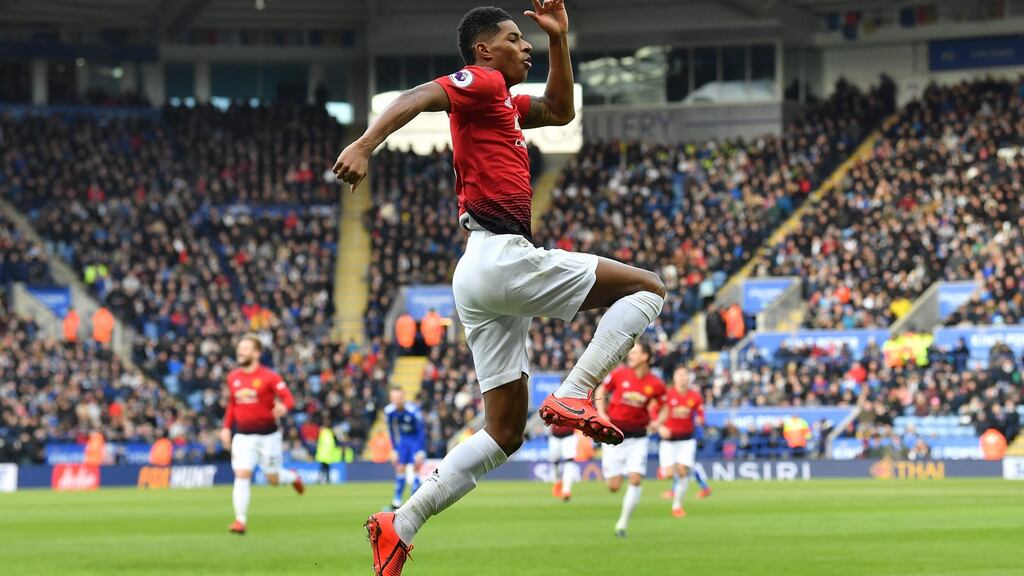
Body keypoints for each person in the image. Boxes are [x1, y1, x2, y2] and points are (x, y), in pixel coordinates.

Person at [334, 3, 665, 573]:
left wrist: (559, 39)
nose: (526, 46)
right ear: (485, 51)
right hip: (503, 255)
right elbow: (416, 96)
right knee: (647, 288)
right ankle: (577, 391)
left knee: (504, 433)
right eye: (516, 39)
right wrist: (366, 143)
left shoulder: (504, 106)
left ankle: (401, 522)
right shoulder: (482, 83)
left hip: (479, 273)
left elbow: (561, 110)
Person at [220, 334, 304, 535]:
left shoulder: (270, 376)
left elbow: (289, 398)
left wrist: (283, 407)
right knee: (242, 474)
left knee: (272, 479)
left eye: (246, 348)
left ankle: (292, 477)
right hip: (243, 436)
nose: (241, 352)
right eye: (240, 348)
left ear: (256, 353)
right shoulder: (233, 377)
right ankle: (240, 521)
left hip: (269, 436)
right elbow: (232, 404)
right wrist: (225, 427)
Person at [597, 342, 666, 537]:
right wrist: (602, 412)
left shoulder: (656, 384)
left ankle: (622, 524)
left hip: (638, 438)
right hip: (614, 436)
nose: (630, 356)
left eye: (634, 352)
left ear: (645, 357)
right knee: (614, 486)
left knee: (635, 478)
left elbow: (664, 405)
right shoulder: (619, 374)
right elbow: (601, 390)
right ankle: (621, 517)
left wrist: (657, 422)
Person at [653, 366, 706, 517]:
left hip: (687, 440)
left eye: (685, 375)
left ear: (689, 378)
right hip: (668, 441)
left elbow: (701, 414)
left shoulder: (695, 396)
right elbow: (654, 412)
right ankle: (664, 471)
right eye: (679, 375)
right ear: (674, 378)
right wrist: (660, 427)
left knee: (683, 471)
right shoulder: (667, 395)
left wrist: (700, 420)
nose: (682, 378)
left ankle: (677, 505)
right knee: (669, 474)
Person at [385, 389, 427, 509]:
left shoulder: (413, 410)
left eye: (399, 397)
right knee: (400, 468)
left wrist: (420, 449)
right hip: (402, 441)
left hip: (414, 441)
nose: (397, 400)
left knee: (416, 467)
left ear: (403, 397)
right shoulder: (389, 411)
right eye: (394, 398)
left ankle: (416, 501)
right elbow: (391, 431)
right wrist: (394, 449)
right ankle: (396, 501)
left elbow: (421, 430)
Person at [547, 423, 577, 501]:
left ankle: (566, 490)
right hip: (554, 435)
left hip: (569, 435)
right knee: (554, 461)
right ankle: (558, 481)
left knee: (569, 460)